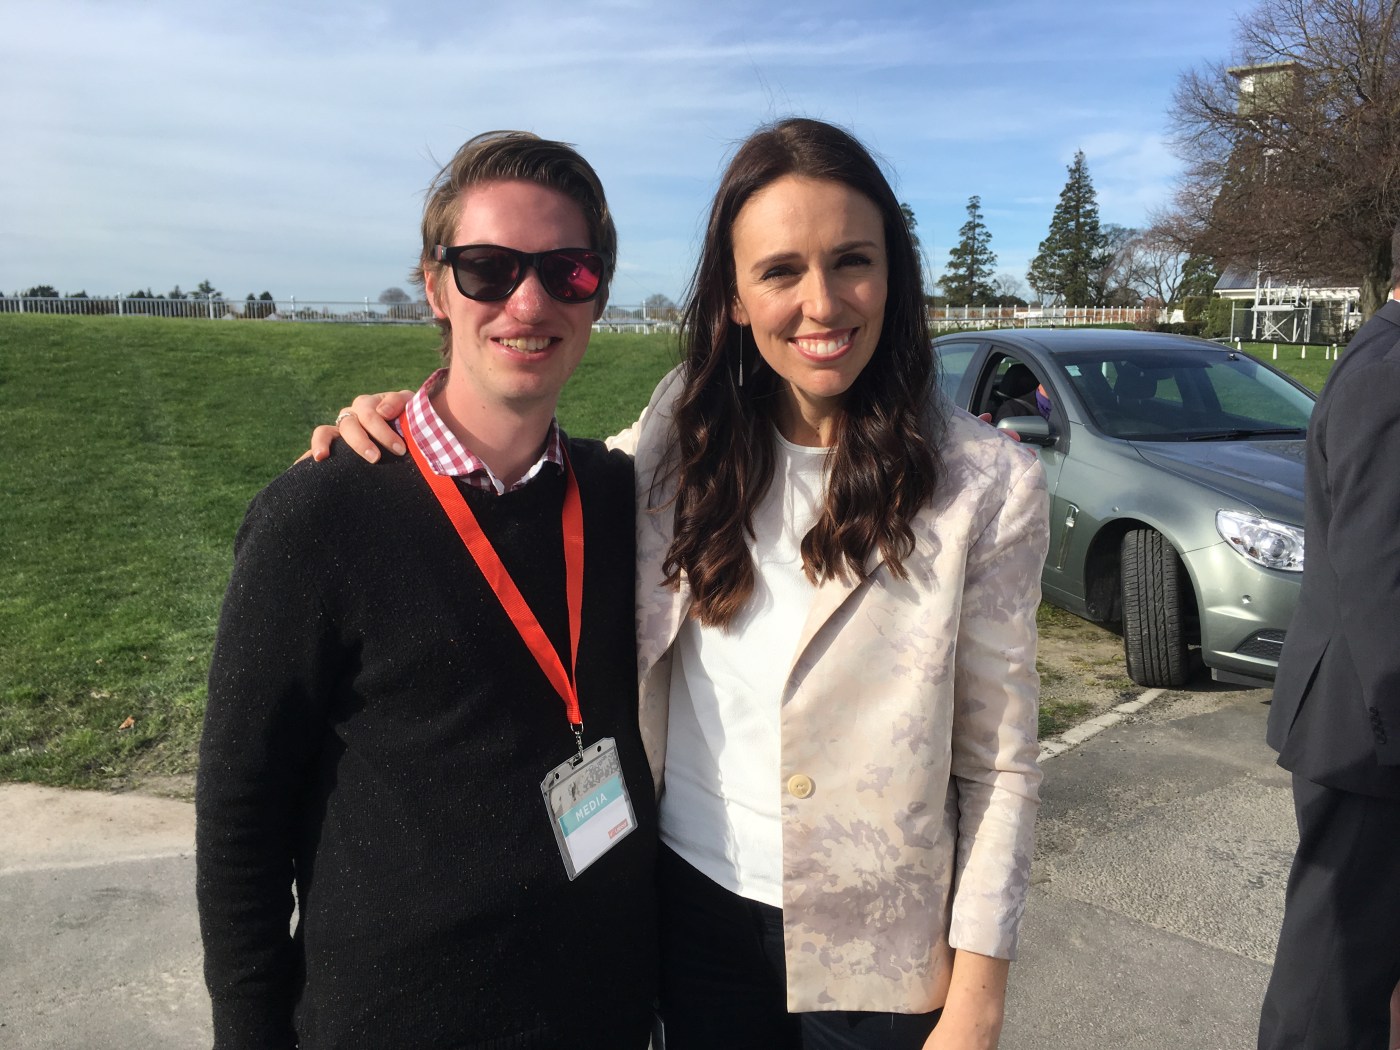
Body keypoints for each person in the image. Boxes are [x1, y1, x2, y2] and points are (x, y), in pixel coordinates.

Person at [318, 117, 1048, 1049]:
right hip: (688, 919)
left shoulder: (984, 484)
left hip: (878, 957)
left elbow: (999, 764)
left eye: (852, 262)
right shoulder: (682, 433)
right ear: (734, 297)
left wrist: (977, 1005)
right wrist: (400, 431)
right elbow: (538, 477)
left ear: (893, 277)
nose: (821, 304)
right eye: (779, 271)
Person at [197, 130, 657, 1050]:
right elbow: (242, 818)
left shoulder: (619, 496)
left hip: (601, 1014)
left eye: (567, 271)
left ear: (598, 294)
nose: (529, 301)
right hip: (396, 1022)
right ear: (436, 287)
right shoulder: (319, 516)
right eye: (489, 268)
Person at [1258, 230, 1400, 1049]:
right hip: (1370, 733)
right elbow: (1383, 580)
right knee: (1331, 987)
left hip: (1366, 723)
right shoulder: (1391, 373)